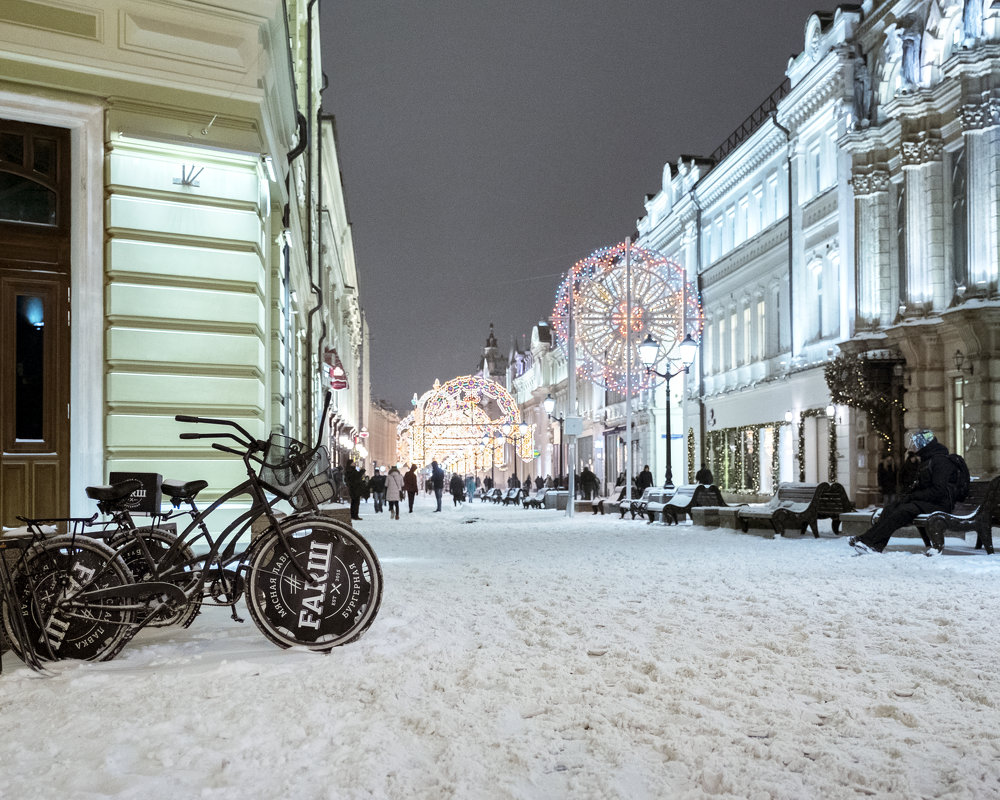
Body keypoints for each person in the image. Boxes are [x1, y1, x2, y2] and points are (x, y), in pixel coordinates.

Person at [850, 429, 962, 555]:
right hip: (928, 502)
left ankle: (871, 542)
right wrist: (908, 496)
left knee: (903, 511)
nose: (914, 447)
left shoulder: (941, 461)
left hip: (940, 504)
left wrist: (914, 496)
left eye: (917, 444)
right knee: (891, 508)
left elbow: (938, 491)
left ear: (925, 444)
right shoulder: (928, 460)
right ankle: (868, 540)